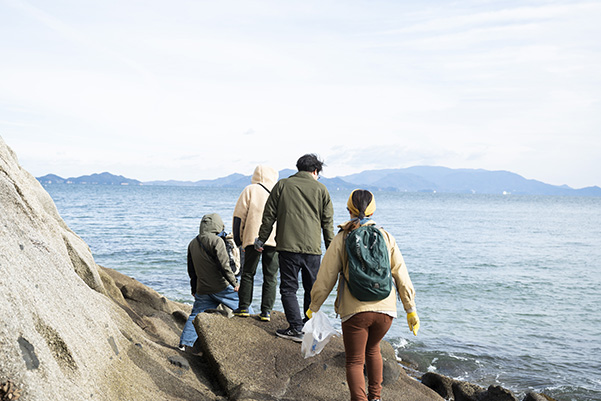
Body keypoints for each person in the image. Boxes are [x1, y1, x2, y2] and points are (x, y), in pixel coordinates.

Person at [307, 189, 420, 401]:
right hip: (385, 311)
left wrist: (314, 306)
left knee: (355, 361)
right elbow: (401, 274)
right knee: (374, 348)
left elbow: (326, 276)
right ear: (373, 210)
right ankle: (375, 398)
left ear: (349, 209)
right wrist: (410, 309)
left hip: (356, 311)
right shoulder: (386, 237)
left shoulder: (342, 237)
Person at [255, 153, 335, 342]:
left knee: (289, 289)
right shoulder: (321, 189)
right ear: (315, 171)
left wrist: (261, 239)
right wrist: (331, 249)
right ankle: (308, 327)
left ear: (299, 168)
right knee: (312, 289)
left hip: (287, 248)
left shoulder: (282, 185)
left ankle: (295, 329)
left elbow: (269, 215)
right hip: (313, 250)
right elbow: (328, 223)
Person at [178, 213, 252, 350]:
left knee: (195, 315)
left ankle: (184, 344)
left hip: (203, 289)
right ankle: (254, 336)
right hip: (221, 287)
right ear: (218, 225)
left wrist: (194, 289)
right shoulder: (217, 241)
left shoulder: (193, 243)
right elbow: (224, 266)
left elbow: (191, 270)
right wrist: (235, 284)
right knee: (245, 306)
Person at [232, 165, 279, 322]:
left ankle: (244, 307)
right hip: (274, 240)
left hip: (253, 239)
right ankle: (266, 311)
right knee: (271, 276)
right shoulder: (279, 190)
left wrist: (239, 241)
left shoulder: (250, 189)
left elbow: (239, 217)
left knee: (248, 273)